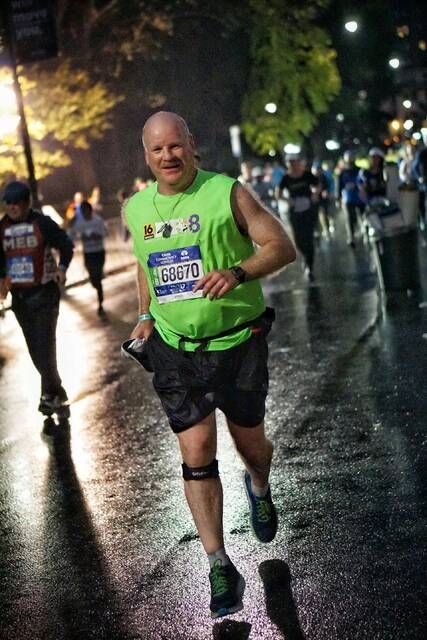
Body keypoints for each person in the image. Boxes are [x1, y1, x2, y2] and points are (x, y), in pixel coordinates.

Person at [124, 111, 296, 619]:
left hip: (239, 343)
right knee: (196, 451)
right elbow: (144, 262)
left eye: (175, 146)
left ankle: (259, 486)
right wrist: (144, 316)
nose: (168, 156)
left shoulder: (228, 192)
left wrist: (238, 272)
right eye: (157, 150)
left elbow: (281, 245)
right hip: (177, 350)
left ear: (192, 145)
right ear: (147, 155)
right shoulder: (136, 208)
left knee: (250, 444)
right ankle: (218, 563)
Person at [0, 181, 74, 418]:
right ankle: (57, 389)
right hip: (19, 298)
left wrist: (62, 267)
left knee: (45, 345)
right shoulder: (1, 228)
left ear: (27, 202)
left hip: (45, 293)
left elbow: (66, 244)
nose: (13, 209)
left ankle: (48, 395)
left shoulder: (41, 223)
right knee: (35, 349)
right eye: (8, 205)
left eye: (17, 204)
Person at [276, 153, 320, 282]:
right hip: (295, 211)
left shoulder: (306, 175)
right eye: (290, 162)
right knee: (299, 240)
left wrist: (314, 194)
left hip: (308, 210)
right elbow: (278, 193)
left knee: (309, 237)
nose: (293, 164)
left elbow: (318, 184)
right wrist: (288, 200)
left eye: (295, 161)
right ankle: (306, 256)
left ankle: (310, 266)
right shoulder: (286, 178)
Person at [68, 200, 108, 317]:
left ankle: (100, 303)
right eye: (83, 211)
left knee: (97, 277)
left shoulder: (98, 220)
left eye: (87, 211)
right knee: (93, 278)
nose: (85, 213)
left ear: (91, 210)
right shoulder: (79, 223)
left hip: (99, 252)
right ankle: (96, 282)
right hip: (88, 253)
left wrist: (98, 235)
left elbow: (106, 233)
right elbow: (71, 236)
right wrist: (72, 226)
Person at [337, 150, 365, 248]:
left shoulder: (359, 170)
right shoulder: (342, 173)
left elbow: (363, 182)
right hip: (348, 198)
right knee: (349, 218)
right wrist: (338, 199)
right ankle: (351, 236)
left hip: (360, 198)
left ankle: (364, 231)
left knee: (362, 215)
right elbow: (339, 186)